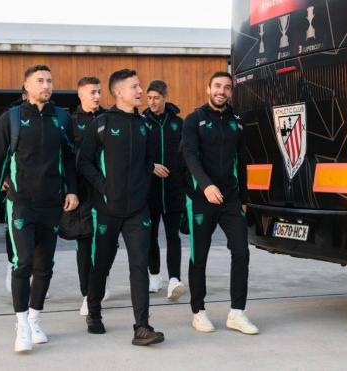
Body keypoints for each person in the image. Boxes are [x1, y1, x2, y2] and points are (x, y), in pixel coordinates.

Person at [0, 65, 79, 352]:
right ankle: (21, 324)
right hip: (20, 203)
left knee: (44, 266)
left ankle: (35, 319)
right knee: (22, 263)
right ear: (25, 86)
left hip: (52, 204)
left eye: (49, 80)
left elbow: (69, 158)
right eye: (40, 81)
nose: (46, 85)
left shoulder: (61, 118)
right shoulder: (10, 119)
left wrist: (72, 189)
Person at [78, 68, 165, 346]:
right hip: (107, 209)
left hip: (137, 210)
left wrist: (143, 190)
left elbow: (147, 163)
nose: (140, 91)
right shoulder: (102, 123)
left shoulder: (145, 126)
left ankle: (142, 326)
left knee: (139, 266)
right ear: (118, 92)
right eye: (134, 87)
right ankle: (94, 313)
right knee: (101, 265)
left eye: (140, 86)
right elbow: (84, 163)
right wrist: (104, 188)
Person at [181, 71, 259, 335]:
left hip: (231, 200)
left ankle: (237, 313)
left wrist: (245, 199)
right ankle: (198, 311)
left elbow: (242, 162)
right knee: (198, 257)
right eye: (217, 86)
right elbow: (190, 157)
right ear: (208, 89)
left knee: (241, 252)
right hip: (201, 198)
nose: (221, 91)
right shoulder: (194, 120)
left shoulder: (237, 123)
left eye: (227, 87)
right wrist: (206, 186)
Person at [71, 76, 116, 315]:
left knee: (107, 244)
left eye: (99, 91)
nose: (97, 96)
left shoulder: (108, 119)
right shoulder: (71, 122)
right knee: (84, 245)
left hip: (106, 192)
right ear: (81, 95)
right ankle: (87, 294)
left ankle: (100, 280)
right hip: (82, 194)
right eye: (92, 92)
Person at [143, 80, 187, 300]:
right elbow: (136, 154)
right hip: (149, 192)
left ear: (165, 97)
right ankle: (154, 275)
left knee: (173, 236)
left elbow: (186, 156)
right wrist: (151, 167)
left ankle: (174, 279)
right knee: (150, 237)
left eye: (156, 98)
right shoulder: (141, 123)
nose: (152, 102)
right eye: (149, 97)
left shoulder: (178, 123)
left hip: (173, 190)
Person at [0, 87, 28, 293]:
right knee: (14, 230)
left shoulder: (51, 117)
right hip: (13, 186)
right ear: (24, 94)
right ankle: (13, 266)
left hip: (41, 191)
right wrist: (3, 178)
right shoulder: (8, 119)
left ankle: (33, 279)